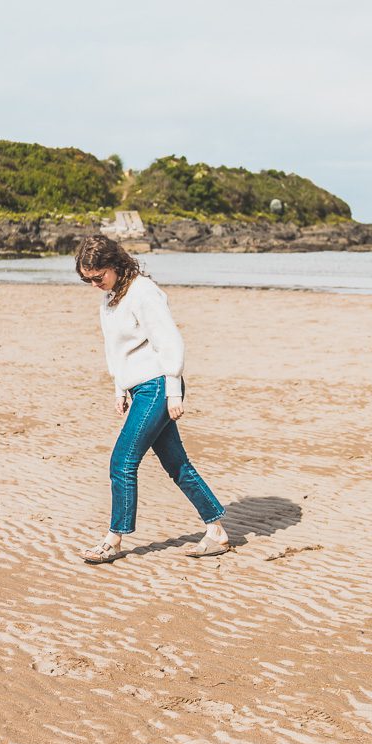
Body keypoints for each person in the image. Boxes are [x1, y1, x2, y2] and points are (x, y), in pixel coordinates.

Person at [75, 234, 231, 563]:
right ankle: (216, 531)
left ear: (115, 265)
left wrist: (174, 389)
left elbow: (168, 341)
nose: (94, 285)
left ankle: (113, 540)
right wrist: (119, 387)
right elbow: (115, 349)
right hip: (139, 388)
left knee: (122, 462)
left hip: (159, 386)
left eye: (98, 277)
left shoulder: (143, 292)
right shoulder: (111, 296)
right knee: (176, 465)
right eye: (87, 280)